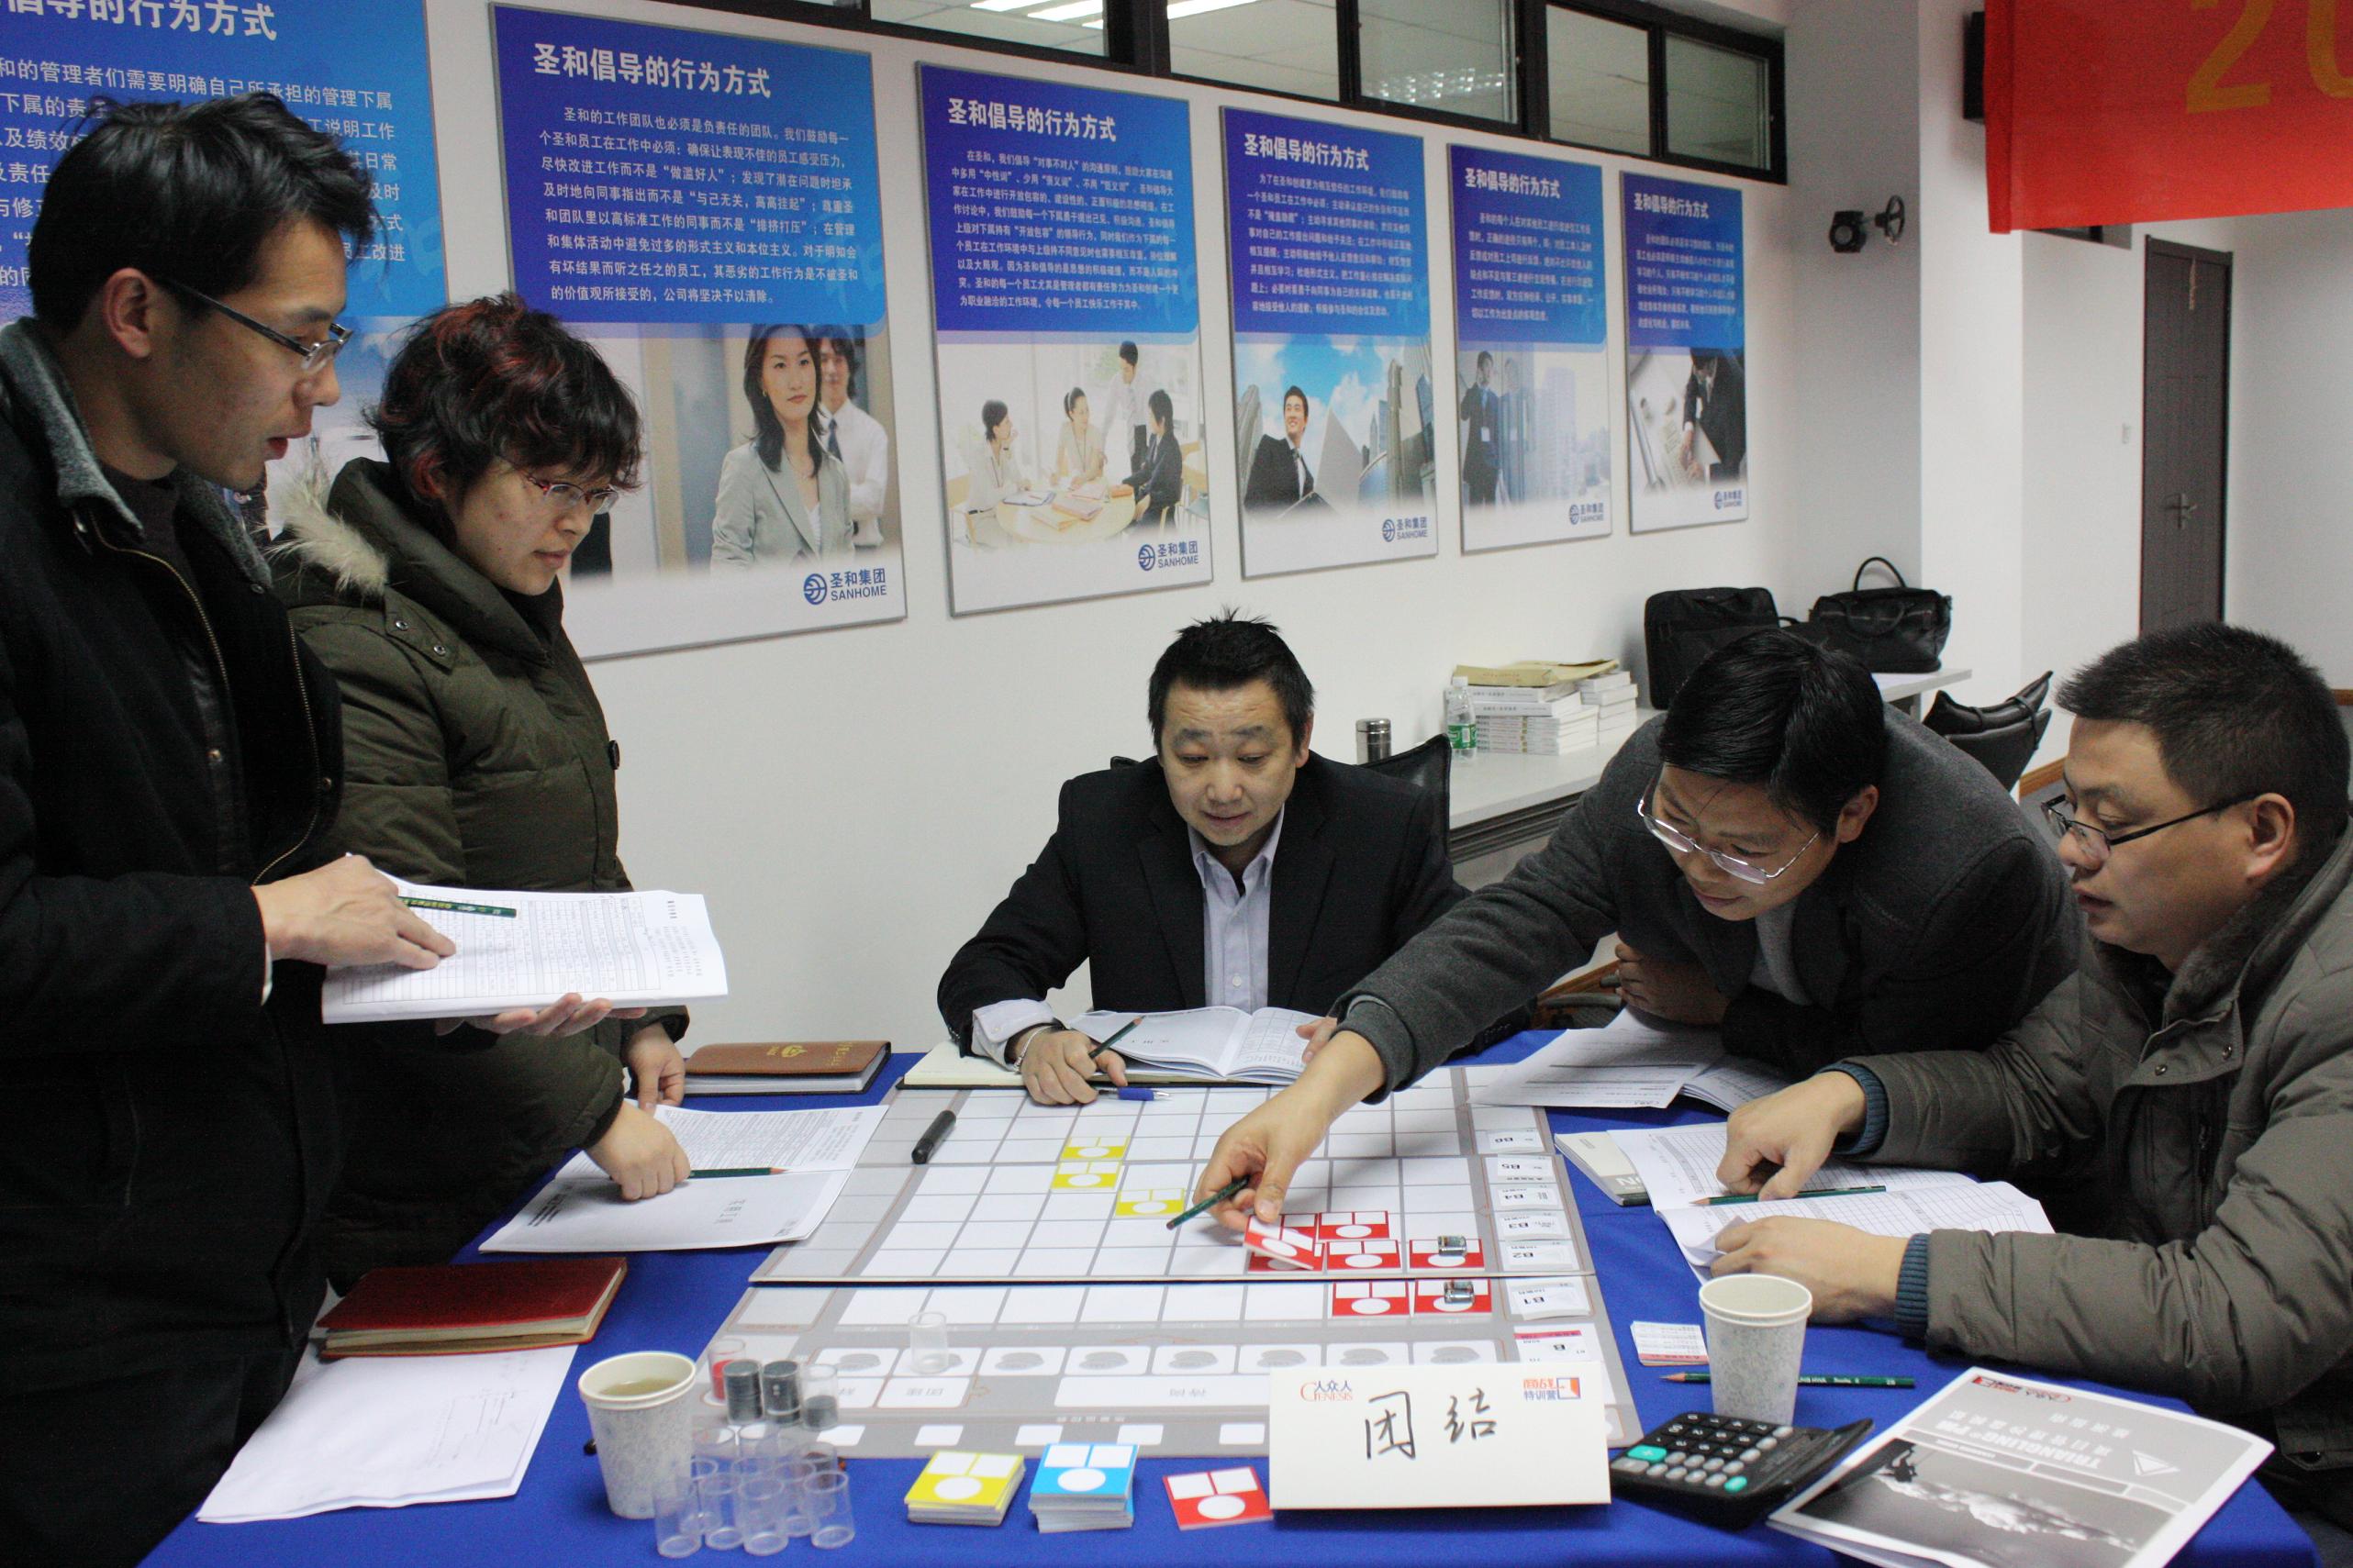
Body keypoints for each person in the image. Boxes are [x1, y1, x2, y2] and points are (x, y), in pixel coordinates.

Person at [0, 92, 469, 1565]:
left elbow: (242, 854)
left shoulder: (199, 518)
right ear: (138, 310)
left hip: (242, 1275)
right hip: (72, 1335)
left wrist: (441, 971)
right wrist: (265, 924)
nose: (319, 391)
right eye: (297, 338)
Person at [1705, 625, 2353, 1560]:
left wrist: (1893, 1272)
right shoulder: (2155, 938)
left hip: (2312, 1472)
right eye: (2068, 811)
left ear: (2262, 832)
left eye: (2110, 824)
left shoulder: (2334, 1005)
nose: (2072, 853)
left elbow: (2239, 1312)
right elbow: (2034, 1086)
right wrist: (1852, 1094)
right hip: (2201, 1413)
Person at [1192, 629, 2079, 1226]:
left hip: (1978, 1165)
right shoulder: (1661, 773)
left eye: (1745, 851)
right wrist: (1320, 1093)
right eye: (1679, 827)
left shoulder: (1964, 868)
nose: (1699, 866)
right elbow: (1521, 918)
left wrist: (1724, 1010)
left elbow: (1911, 1073)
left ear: (1851, 815)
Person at [271, 293, 696, 1284]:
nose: (574, 521)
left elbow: (568, 856)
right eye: (550, 484)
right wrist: (594, 1114)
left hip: (531, 1146)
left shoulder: (502, 610)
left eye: (594, 492)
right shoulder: (354, 641)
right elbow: (407, 938)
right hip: (431, 1176)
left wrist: (638, 1017)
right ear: (436, 470)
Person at [940, 612, 1525, 1106]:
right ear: (1160, 746)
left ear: (1301, 741)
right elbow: (984, 969)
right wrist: (1032, 1040)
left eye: (1251, 757)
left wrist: (1378, 1037)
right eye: (1193, 759)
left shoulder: (1381, 825)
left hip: (1332, 1116)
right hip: (1151, 1120)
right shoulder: (1104, 823)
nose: (1222, 791)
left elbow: (1488, 979)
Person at [712, 324, 852, 564]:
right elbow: (728, 566)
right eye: (780, 365)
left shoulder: (835, 472)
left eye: (804, 362)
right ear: (761, 381)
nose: (796, 381)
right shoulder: (743, 468)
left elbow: (847, 567)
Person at [814, 330, 889, 547]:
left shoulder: (872, 431)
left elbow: (874, 501)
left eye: (839, 360)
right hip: (817, 554)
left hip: (864, 551)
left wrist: (820, 496)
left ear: (850, 367)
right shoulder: (801, 432)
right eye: (823, 360)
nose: (831, 370)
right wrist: (854, 494)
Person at [1111, 388, 1183, 528]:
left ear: (1162, 420)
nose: (1148, 420)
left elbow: (1174, 494)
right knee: (1114, 518)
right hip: (1146, 499)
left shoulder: (1173, 450)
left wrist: (1150, 499)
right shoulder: (1154, 438)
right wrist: (1126, 483)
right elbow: (1147, 471)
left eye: (1151, 415)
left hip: (1159, 511)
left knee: (1133, 535)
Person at [1243, 384, 1320, 513]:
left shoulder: (1308, 477)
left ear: (1305, 420)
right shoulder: (1269, 447)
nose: (1292, 414)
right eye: (1288, 409)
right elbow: (1251, 501)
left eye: (1297, 409)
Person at [1680, 348, 1746, 481]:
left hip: (1720, 453)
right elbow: (1691, 390)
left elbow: (1733, 468)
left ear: (1711, 365)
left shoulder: (1731, 398)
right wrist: (1689, 429)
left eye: (1699, 371)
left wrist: (1706, 471)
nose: (1695, 373)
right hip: (1707, 436)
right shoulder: (1702, 357)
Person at [964, 396, 1031, 514]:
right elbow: (990, 498)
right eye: (1007, 422)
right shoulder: (978, 454)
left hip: (999, 509)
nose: (1011, 424)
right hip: (980, 515)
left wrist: (1007, 449)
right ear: (996, 429)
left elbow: (1017, 479)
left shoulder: (1005, 446)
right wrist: (1017, 486)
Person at [1098, 339, 1146, 477]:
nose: (1123, 374)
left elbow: (1150, 421)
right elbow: (1108, 417)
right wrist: (1101, 448)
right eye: (1121, 368)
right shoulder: (1116, 382)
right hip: (1131, 432)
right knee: (1134, 478)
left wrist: (1148, 456)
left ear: (1135, 367)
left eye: (1127, 370)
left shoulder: (1145, 382)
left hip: (1146, 430)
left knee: (1146, 478)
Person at [1459, 350, 1500, 506]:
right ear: (1480, 369)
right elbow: (1463, 414)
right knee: (1475, 509)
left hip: (1491, 466)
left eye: (1491, 367)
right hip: (1475, 465)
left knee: (1490, 511)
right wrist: (1476, 386)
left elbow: (1497, 434)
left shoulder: (1495, 399)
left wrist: (1499, 466)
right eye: (1486, 366)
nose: (1489, 371)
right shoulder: (1472, 393)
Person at [1054, 384, 1105, 486]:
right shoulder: (1065, 429)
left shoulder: (1095, 432)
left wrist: (1082, 478)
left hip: (1093, 485)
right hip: (1074, 484)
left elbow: (1094, 468)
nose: (1086, 416)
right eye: (1081, 412)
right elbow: (1058, 462)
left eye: (1087, 410)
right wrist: (1055, 475)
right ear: (1071, 414)